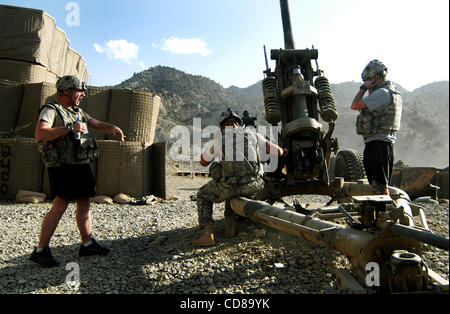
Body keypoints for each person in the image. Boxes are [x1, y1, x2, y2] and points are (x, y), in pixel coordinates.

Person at [30, 75, 125, 268]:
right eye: (79, 91)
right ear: (67, 91)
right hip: (62, 167)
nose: (82, 95)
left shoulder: (77, 111)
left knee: (85, 202)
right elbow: (40, 134)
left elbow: (94, 123)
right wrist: (69, 128)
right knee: (60, 205)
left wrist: (112, 128)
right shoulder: (50, 110)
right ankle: (41, 250)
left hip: (80, 164)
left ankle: (87, 244)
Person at [192, 108, 287, 247]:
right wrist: (284, 151)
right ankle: (230, 227)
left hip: (230, 187)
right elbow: (278, 152)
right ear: (239, 123)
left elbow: (203, 162)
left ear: (222, 125)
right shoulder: (253, 134)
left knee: (203, 194)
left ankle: (207, 234)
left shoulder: (219, 140)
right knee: (232, 188)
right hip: (253, 186)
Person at [351, 59, 402, 195]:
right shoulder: (391, 92)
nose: (366, 84)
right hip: (382, 144)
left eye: (368, 80)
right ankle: (380, 213)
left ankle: (384, 213)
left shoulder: (382, 94)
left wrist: (363, 88)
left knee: (379, 187)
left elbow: (354, 105)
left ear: (375, 78)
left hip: (378, 145)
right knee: (378, 186)